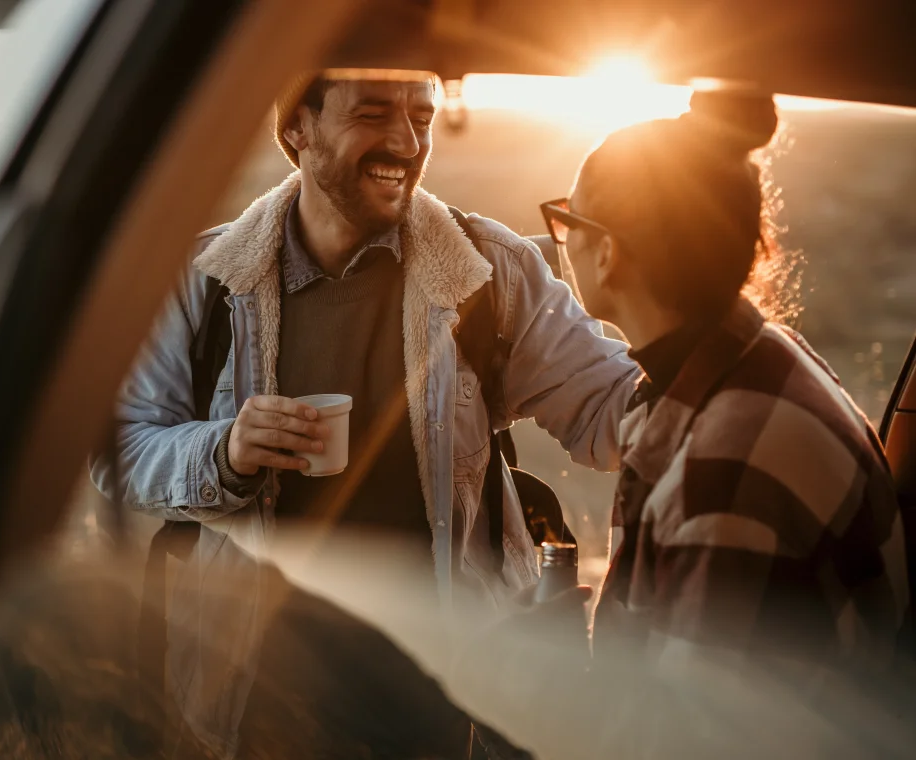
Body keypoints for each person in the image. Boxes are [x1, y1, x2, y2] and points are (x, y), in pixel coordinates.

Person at [93, 69, 639, 757]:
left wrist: (735, 361)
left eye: (423, 115)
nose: (406, 141)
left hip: (449, 712)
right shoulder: (206, 281)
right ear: (297, 126)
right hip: (253, 709)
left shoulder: (487, 271)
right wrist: (223, 453)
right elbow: (120, 449)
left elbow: (615, 410)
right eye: (375, 113)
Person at [450, 90, 916, 759]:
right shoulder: (757, 361)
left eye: (566, 221)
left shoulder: (727, 470)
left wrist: (518, 679)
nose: (562, 240)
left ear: (607, 253)